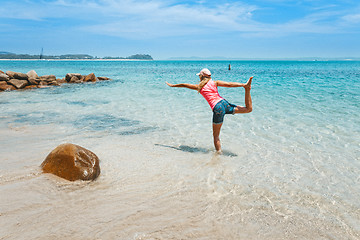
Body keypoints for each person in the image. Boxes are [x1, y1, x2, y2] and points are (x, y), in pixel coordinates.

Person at [166, 68, 253, 153]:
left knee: (216, 136)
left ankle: (218, 156)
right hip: (224, 103)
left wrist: (173, 85)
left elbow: (184, 85)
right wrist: (243, 84)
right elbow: (229, 84)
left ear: (201, 76)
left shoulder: (199, 87)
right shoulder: (215, 82)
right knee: (248, 109)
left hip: (217, 108)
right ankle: (247, 89)